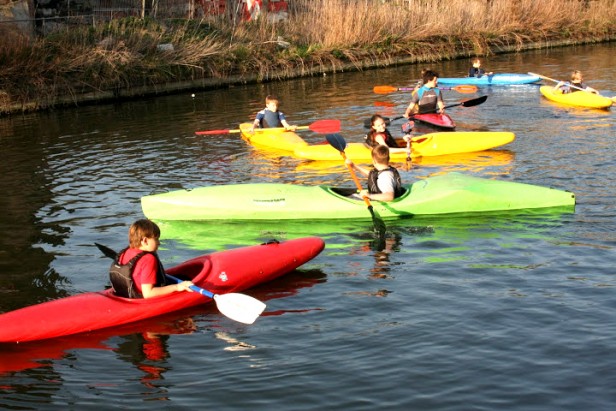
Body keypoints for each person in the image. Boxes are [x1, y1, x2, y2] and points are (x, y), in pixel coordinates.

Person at [109, 219, 193, 299]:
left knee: (181, 276)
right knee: (187, 278)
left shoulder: (125, 252)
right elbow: (148, 293)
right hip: (141, 298)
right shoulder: (148, 259)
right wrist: (177, 287)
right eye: (156, 239)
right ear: (145, 241)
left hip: (125, 295)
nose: (159, 243)